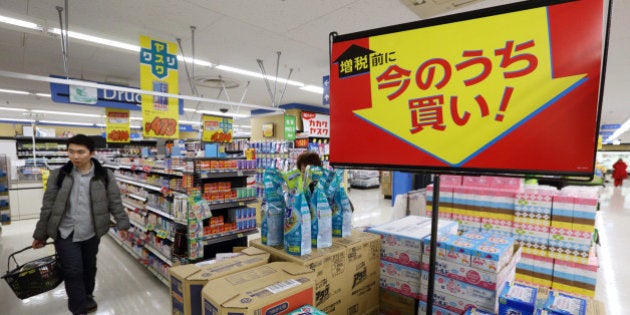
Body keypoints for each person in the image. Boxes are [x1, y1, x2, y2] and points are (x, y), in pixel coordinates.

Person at [32, 134, 130, 315]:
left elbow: (115, 201)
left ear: (92, 153)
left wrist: (122, 224)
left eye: (80, 152)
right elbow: (48, 207)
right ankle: (78, 310)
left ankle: (87, 295)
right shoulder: (58, 175)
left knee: (89, 267)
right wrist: (40, 235)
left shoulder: (104, 176)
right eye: (71, 152)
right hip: (64, 233)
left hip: (91, 232)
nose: (75, 156)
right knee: (72, 271)